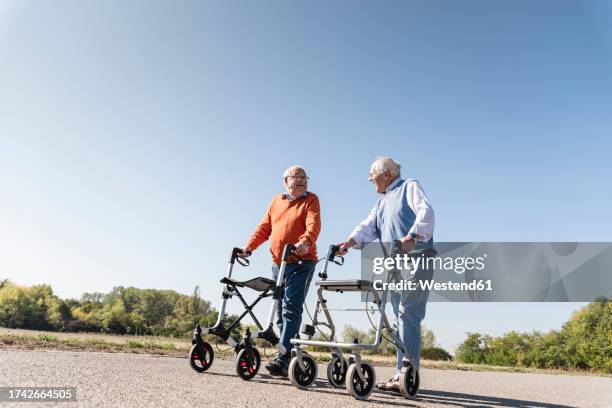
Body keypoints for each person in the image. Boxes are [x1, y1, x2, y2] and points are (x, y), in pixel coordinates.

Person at [337, 156, 435, 393]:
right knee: (398, 317)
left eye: (372, 175)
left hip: (416, 256)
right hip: (393, 263)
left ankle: (407, 375)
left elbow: (426, 211)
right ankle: (401, 374)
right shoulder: (381, 203)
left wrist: (412, 237)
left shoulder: (408, 186)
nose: (371, 180)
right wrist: (350, 242)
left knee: (408, 313)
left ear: (386, 174)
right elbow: (368, 226)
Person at [240, 165, 321, 377]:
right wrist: (249, 247)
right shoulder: (277, 201)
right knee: (278, 309)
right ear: (286, 180)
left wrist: (305, 242)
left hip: (302, 262)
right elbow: (265, 228)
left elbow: (313, 225)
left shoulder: (311, 199)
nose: (303, 180)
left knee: (291, 307)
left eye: (305, 176)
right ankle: (287, 352)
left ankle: (283, 357)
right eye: (298, 176)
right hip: (278, 264)